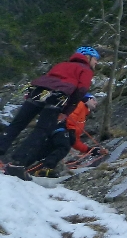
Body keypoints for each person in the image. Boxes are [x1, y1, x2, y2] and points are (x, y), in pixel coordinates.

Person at [1, 46, 99, 181]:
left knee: (17, 124)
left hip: (39, 91)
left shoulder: (62, 64)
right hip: (58, 96)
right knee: (42, 130)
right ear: (88, 57)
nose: (96, 62)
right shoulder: (85, 69)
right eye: (95, 59)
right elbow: (81, 90)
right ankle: (17, 164)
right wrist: (66, 111)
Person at [26, 93, 101, 178]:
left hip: (59, 131)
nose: (96, 102)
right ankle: (46, 168)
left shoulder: (84, 114)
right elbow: (72, 115)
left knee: (44, 151)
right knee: (64, 147)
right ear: (87, 99)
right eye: (94, 99)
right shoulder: (80, 104)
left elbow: (74, 140)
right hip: (62, 128)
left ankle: (22, 164)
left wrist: (88, 150)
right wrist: (71, 130)